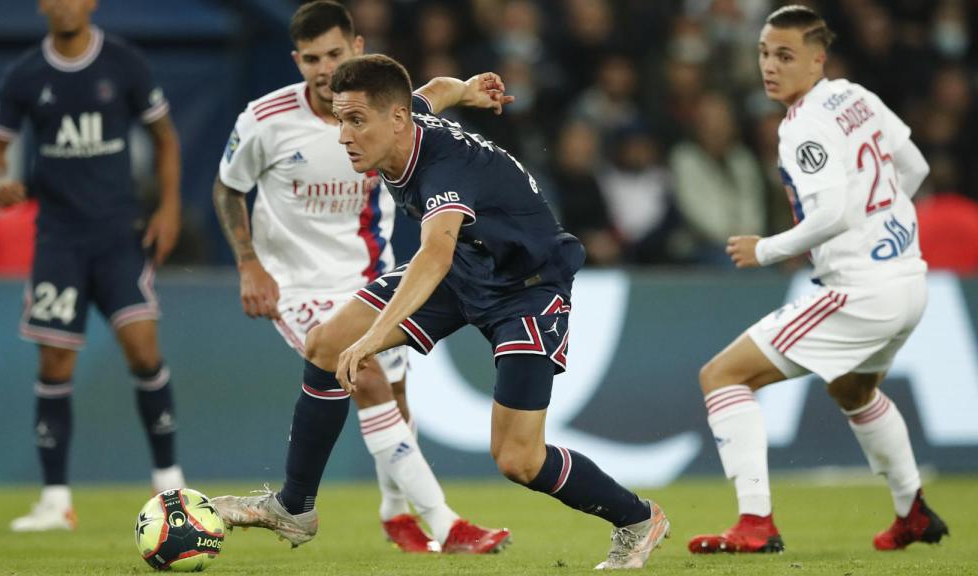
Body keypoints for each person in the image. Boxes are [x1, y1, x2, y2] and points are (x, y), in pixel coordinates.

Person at [213, 54, 671, 570]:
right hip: (468, 269)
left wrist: (371, 341)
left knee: (519, 459)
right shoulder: (404, 119)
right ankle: (295, 508)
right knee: (324, 344)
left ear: (396, 120)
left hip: (526, 286)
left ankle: (637, 518)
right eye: (341, 118)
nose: (344, 135)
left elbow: (435, 254)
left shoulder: (443, 167)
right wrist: (471, 88)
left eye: (356, 120)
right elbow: (437, 89)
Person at [211, 1, 509, 554]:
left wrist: (467, 89)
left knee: (393, 394)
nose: (323, 69)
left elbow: (433, 92)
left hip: (366, 276)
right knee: (363, 373)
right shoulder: (265, 119)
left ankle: (396, 514)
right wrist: (249, 263)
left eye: (334, 54)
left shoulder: (382, 108)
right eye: (310, 59)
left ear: (358, 47)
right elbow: (228, 187)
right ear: (295, 59)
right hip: (297, 286)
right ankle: (446, 524)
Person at [688, 5, 949, 554]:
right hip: (910, 281)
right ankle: (914, 512)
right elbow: (916, 168)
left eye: (784, 55)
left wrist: (766, 249)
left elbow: (831, 214)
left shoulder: (802, 124)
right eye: (763, 53)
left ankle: (755, 522)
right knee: (853, 388)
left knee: (722, 376)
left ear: (817, 59)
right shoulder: (856, 97)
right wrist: (888, 228)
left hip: (862, 289)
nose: (770, 66)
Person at [0, 0, 185, 531]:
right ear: (42, 4)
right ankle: (55, 499)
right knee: (54, 365)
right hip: (59, 241)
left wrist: (167, 207)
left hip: (118, 236)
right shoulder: (26, 75)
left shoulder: (123, 63)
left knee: (143, 347)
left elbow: (165, 138)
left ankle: (169, 480)